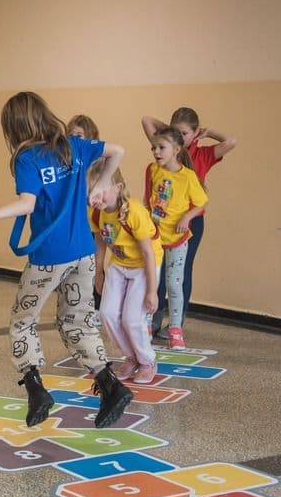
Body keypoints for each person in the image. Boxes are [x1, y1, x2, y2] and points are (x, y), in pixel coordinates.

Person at [0, 91, 131, 428]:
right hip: (83, 252)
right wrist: (103, 183)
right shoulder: (73, 146)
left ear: (13, 126)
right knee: (78, 321)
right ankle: (111, 386)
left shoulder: (27, 158)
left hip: (48, 257)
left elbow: (28, 204)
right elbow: (118, 151)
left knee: (23, 321)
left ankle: (36, 389)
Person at [142, 109, 237, 329]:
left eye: (185, 133)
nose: (181, 137)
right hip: (161, 222)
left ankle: (177, 320)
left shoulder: (203, 154)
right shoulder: (165, 151)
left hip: (189, 222)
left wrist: (207, 132)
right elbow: (146, 120)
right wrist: (169, 132)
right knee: (157, 267)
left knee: (180, 271)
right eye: (177, 133)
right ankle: (155, 316)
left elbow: (231, 141)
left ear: (194, 133)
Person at [91, 179, 162, 383]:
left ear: (118, 187)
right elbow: (100, 241)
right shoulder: (96, 211)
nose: (96, 198)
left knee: (132, 318)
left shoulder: (134, 212)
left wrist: (151, 291)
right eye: (91, 192)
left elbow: (149, 254)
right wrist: (99, 273)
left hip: (143, 265)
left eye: (100, 191)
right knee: (107, 314)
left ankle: (147, 361)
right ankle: (131, 357)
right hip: (119, 263)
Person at [143, 126, 207, 349]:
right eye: (154, 148)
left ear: (177, 149)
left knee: (173, 283)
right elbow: (146, 200)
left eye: (161, 147)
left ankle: (175, 329)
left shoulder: (188, 177)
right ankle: (149, 323)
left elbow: (202, 202)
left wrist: (187, 217)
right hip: (155, 238)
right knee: (152, 282)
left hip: (178, 238)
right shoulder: (152, 170)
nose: (156, 152)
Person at [68, 113, 125, 311]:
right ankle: (88, 302)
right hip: (86, 222)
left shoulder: (101, 163)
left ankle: (103, 301)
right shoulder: (71, 164)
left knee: (102, 263)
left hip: (103, 220)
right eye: (71, 134)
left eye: (79, 135)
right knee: (90, 265)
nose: (75, 138)